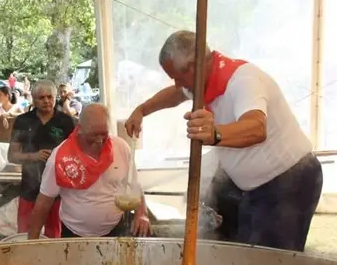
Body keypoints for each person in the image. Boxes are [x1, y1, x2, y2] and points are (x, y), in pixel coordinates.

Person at [124, 30, 323, 252]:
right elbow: (175, 94)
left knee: (270, 263)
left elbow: (257, 127)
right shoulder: (199, 82)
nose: (178, 83)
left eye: (178, 77)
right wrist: (141, 110)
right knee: (244, 253)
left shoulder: (244, 80)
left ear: (195, 65)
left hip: (289, 181)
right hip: (253, 187)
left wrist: (215, 134)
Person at [27, 104, 151, 239]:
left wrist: (142, 214)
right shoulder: (60, 157)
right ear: (79, 129)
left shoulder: (121, 148)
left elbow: (134, 184)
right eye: (93, 135)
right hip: (74, 234)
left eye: (104, 134)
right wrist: (31, 243)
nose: (99, 140)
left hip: (116, 230)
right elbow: (43, 203)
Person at [8, 80, 76, 238]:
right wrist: (34, 156)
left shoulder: (65, 121)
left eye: (50, 97)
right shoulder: (23, 121)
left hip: (58, 190)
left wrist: (58, 158)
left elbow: (75, 155)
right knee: (25, 235)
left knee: (55, 237)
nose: (46, 101)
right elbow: (11, 155)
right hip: (29, 188)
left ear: (55, 97)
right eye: (41, 97)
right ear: (33, 99)